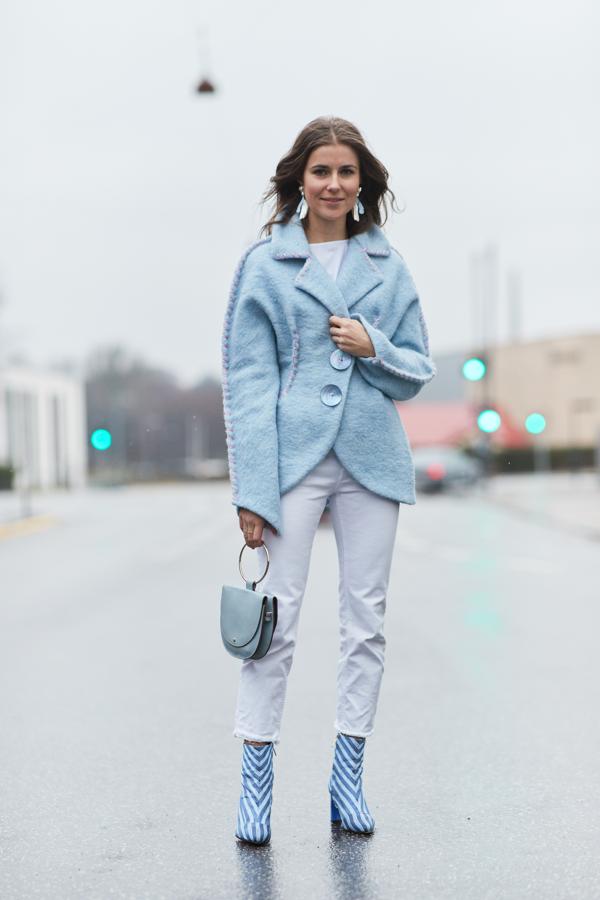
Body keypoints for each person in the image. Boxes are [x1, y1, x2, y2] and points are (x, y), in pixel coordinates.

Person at [221, 115, 436, 845]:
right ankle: (256, 786)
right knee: (271, 629)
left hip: (373, 461)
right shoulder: (264, 265)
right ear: (299, 181)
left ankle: (348, 778)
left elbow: (416, 370)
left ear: (363, 183)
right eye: (322, 172)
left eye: (348, 172)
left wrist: (373, 345)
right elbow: (248, 384)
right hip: (291, 465)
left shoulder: (388, 264)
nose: (335, 184)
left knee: (365, 625)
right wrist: (252, 490)